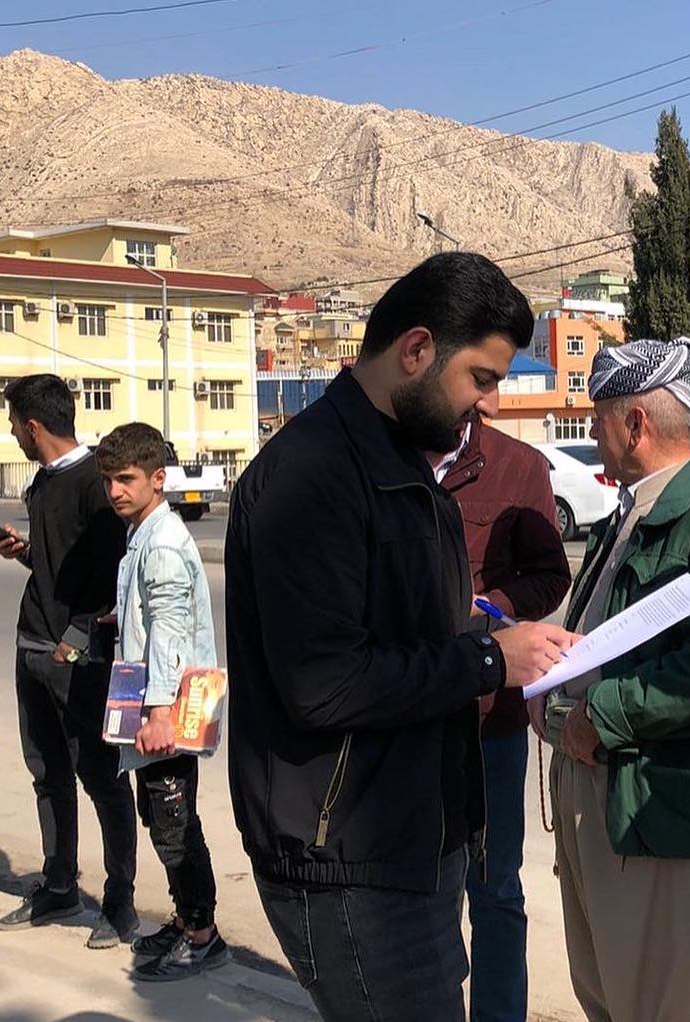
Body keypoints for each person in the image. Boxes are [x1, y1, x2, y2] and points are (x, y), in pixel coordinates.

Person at [225, 252, 580, 1022]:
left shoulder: (401, 466)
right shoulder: (313, 475)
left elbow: (413, 631)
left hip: (411, 842)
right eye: (480, 378)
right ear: (417, 349)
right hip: (349, 861)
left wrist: (502, 647)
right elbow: (325, 683)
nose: (487, 402)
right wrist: (489, 658)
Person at [540, 337, 690, 1022]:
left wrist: (602, 714)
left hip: (674, 829)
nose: (592, 434)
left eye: (599, 419)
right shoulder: (633, 514)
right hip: (614, 810)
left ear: (636, 425)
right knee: (613, 998)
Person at [0, 374, 138, 949]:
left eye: (13, 425)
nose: (12, 434)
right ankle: (59, 885)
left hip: (79, 656)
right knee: (47, 773)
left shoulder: (96, 484)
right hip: (32, 645)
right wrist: (25, 553)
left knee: (101, 776)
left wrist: (74, 639)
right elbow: (59, 566)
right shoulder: (43, 483)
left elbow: (114, 576)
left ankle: (119, 901)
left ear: (33, 426)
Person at [433, 409, 572, 1022]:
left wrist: (486, 607)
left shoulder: (519, 466)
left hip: (491, 722)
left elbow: (550, 576)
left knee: (494, 889)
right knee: (421, 894)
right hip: (407, 718)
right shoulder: (388, 457)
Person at [95, 422, 229, 981]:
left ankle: (202, 936)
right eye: (108, 480)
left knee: (175, 826)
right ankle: (185, 919)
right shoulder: (144, 534)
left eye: (126, 479)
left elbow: (171, 630)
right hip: (158, 703)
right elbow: (154, 617)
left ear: (157, 479)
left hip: (167, 711)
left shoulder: (163, 544)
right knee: (161, 816)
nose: (115, 491)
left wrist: (158, 713)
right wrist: (123, 618)